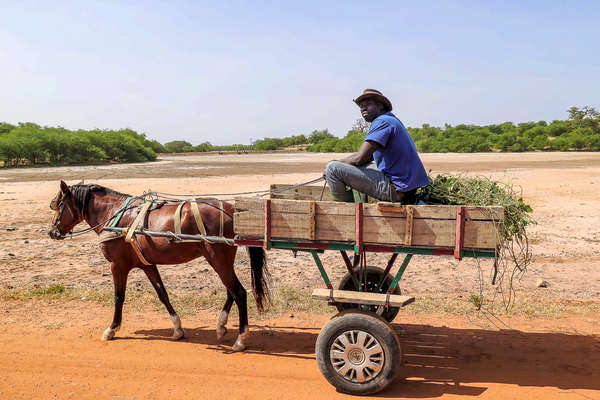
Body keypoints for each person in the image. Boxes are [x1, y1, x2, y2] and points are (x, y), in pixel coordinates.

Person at [324, 89, 429, 203]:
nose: (363, 108)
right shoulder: (390, 120)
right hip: (407, 189)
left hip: (397, 189)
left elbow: (359, 158)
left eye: (368, 104)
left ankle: (345, 213)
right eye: (361, 106)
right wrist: (343, 163)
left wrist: (334, 163)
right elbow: (367, 157)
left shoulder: (382, 121)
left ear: (380, 106)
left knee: (332, 169)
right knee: (356, 165)